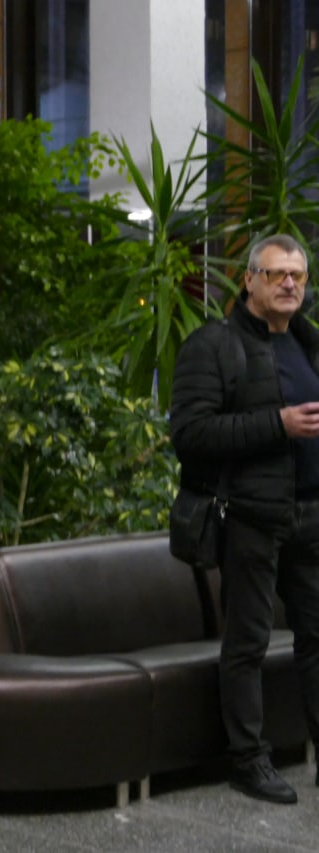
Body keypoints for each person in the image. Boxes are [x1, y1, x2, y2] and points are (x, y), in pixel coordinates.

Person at [171, 233, 319, 805]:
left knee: (316, 638)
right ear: (250, 280)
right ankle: (248, 762)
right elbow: (190, 434)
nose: (289, 284)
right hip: (251, 518)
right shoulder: (214, 346)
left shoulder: (308, 342)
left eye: (298, 276)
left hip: (311, 515)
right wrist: (277, 424)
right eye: (277, 274)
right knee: (248, 643)